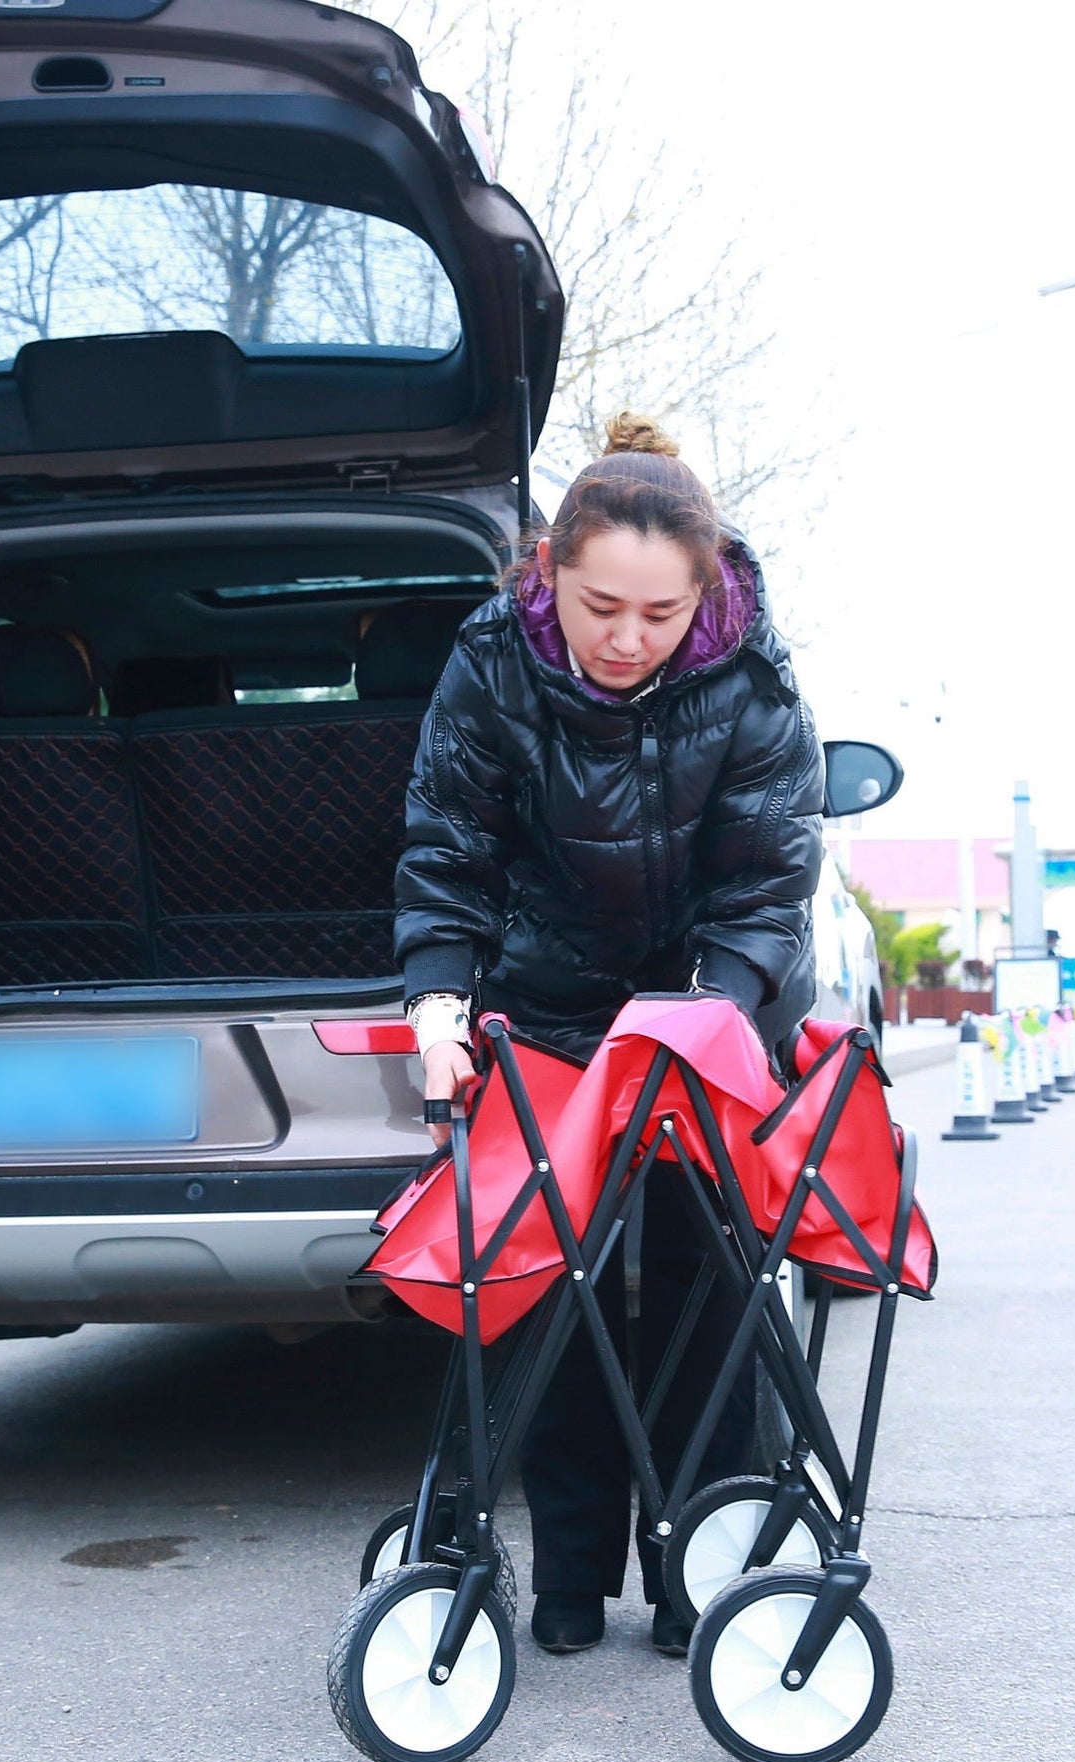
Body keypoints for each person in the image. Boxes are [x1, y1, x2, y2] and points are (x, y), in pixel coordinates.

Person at [393, 412, 826, 1657]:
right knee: (553, 1296)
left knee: (706, 1295)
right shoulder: (489, 659)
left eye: (659, 616)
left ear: (706, 597)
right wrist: (438, 1008)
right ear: (548, 572)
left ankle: (704, 1579)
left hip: (706, 1014)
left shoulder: (751, 682)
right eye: (599, 608)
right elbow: (447, 854)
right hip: (551, 1022)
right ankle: (570, 1580)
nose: (627, 640)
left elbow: (765, 887)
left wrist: (708, 1017)